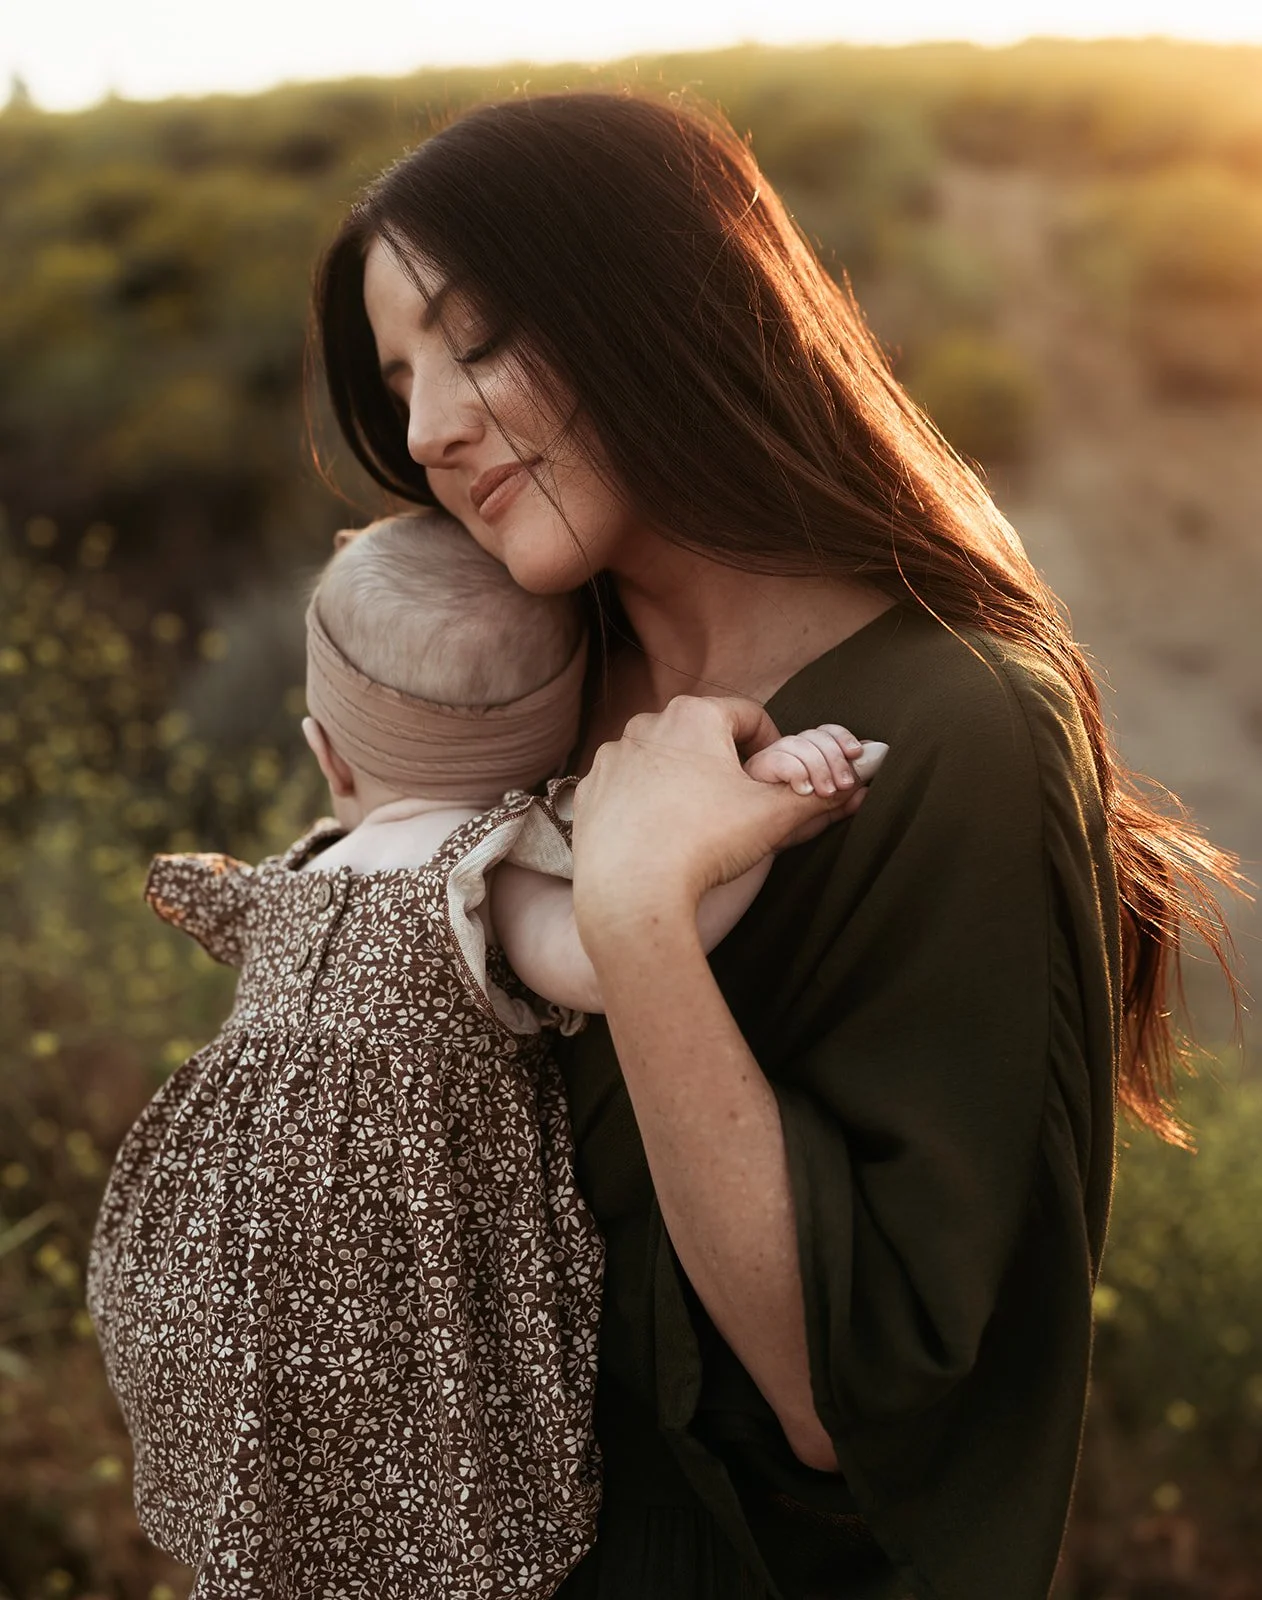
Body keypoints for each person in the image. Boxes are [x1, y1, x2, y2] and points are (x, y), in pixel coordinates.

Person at [312, 91, 1240, 1600]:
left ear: (660, 311)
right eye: (401, 379)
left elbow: (845, 1402)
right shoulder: (518, 677)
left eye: (476, 344)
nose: (425, 432)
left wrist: (635, 915)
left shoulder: (953, 734)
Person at [86, 511, 885, 1600]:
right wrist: (759, 812)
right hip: (392, 1301)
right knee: (410, 1525)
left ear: (329, 753)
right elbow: (624, 947)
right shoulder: (487, 882)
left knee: (276, 1529)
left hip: (219, 1300)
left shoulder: (304, 874)